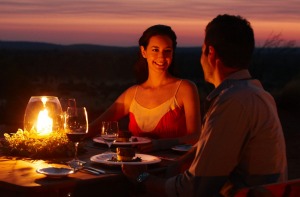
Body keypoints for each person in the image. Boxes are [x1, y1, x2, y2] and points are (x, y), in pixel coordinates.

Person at [122, 14, 288, 196]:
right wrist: (177, 164)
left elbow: (193, 189)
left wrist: (140, 178)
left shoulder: (233, 103)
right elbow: (218, 153)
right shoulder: (258, 94)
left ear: (210, 53)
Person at [88, 24, 201, 152]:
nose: (161, 57)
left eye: (167, 50)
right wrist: (65, 136)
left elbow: (196, 136)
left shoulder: (185, 88)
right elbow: (95, 126)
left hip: (174, 167)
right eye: (155, 50)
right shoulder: (132, 94)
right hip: (137, 169)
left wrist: (159, 144)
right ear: (144, 52)